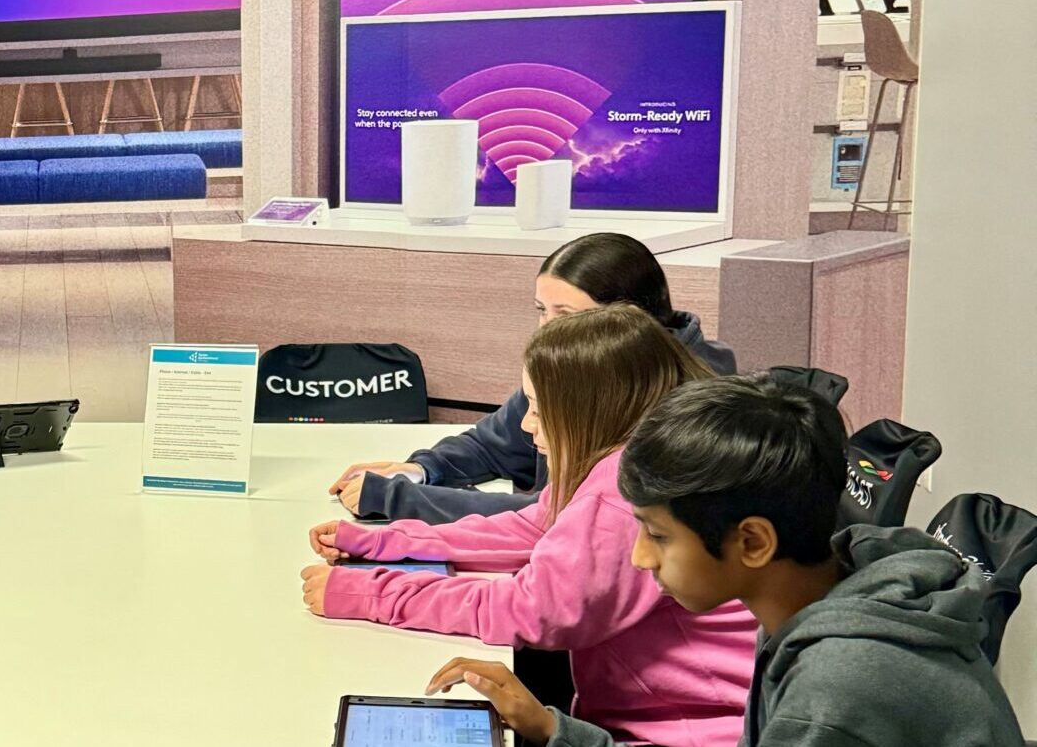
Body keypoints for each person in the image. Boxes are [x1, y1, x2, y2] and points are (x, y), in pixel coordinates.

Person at [428, 374, 1027, 747]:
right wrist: (555, 730)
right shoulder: (826, 599)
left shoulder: (839, 692)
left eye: (658, 536)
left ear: (753, 544)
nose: (639, 558)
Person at [302, 305, 755, 747]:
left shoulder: (625, 492)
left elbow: (528, 610)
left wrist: (368, 593)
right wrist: (386, 542)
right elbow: (530, 527)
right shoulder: (632, 452)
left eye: (538, 408)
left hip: (689, 731)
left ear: (589, 409)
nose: (526, 424)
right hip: (658, 717)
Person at [333, 231, 737, 524]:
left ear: (624, 321)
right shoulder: (579, 365)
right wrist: (421, 470)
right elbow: (494, 443)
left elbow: (560, 515)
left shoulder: (684, 406)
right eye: (541, 310)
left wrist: (406, 500)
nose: (546, 329)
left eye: (566, 315)